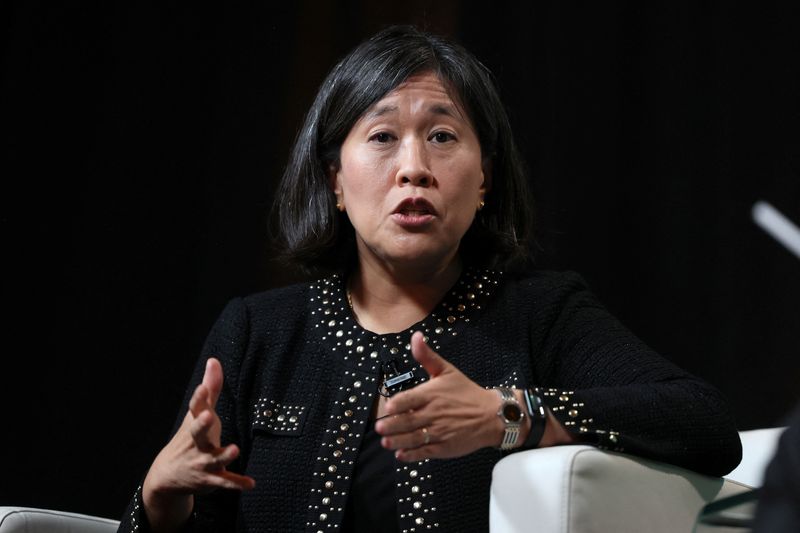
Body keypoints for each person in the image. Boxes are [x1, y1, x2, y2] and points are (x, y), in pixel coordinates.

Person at [118, 25, 742, 532]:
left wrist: (510, 415)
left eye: (442, 136)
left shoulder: (542, 313)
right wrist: (159, 501)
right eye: (383, 136)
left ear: (486, 179)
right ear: (335, 178)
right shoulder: (258, 330)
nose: (414, 168)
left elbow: (704, 423)